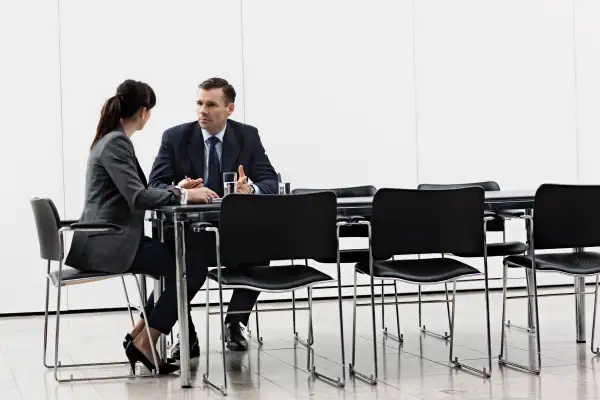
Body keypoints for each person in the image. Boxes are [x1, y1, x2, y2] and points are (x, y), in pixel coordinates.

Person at [65, 79, 216, 375]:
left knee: (181, 264)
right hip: (109, 242)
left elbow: (135, 191)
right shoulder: (116, 142)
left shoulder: (110, 139)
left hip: (108, 238)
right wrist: (184, 194)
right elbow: (137, 197)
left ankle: (141, 335)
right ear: (145, 112)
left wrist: (175, 188)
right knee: (191, 268)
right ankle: (147, 339)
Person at [148, 77, 278, 356]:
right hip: (189, 233)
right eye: (199, 103)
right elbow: (154, 186)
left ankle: (235, 322)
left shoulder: (247, 136)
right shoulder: (175, 137)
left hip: (234, 232)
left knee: (261, 249)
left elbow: (270, 181)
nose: (202, 110)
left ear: (229, 109)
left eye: (211, 104)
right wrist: (180, 191)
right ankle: (185, 331)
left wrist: (251, 189)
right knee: (182, 265)